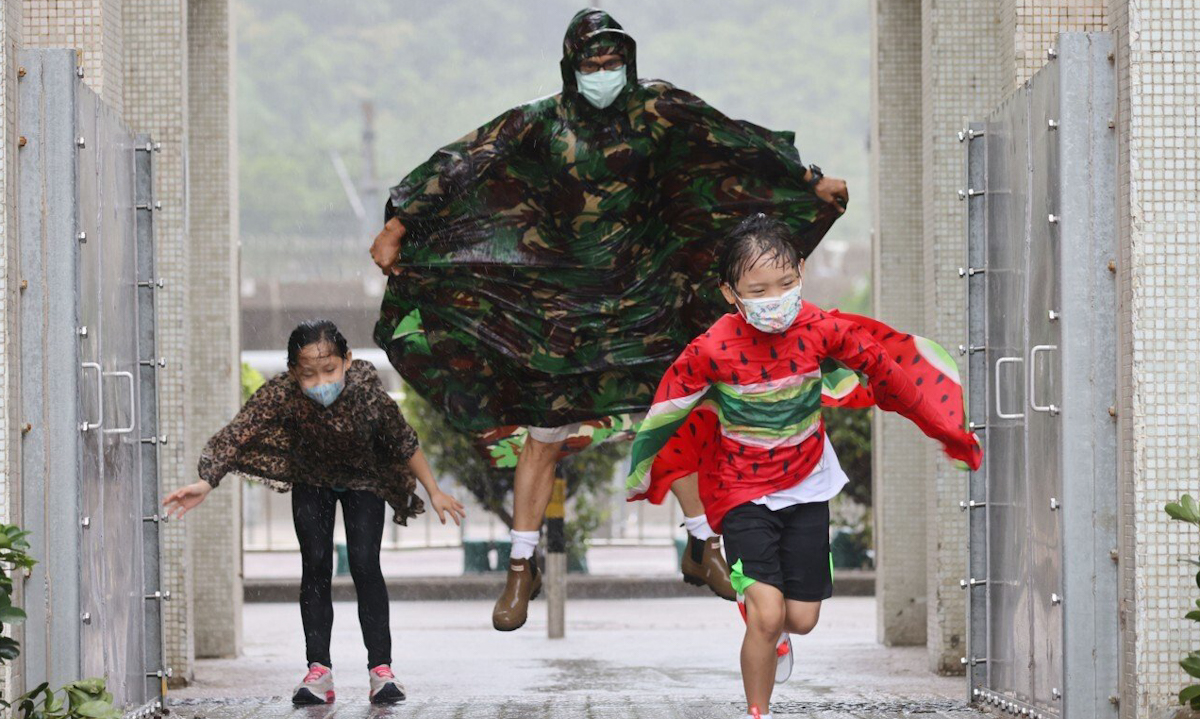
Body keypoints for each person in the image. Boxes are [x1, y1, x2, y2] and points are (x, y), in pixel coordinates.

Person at [368, 8, 850, 632]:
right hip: (562, 302)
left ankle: (704, 543)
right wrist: (399, 224)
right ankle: (521, 568)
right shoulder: (539, 121)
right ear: (571, 67)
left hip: (647, 296)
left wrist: (806, 178)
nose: (603, 73)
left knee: (670, 420)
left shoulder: (657, 108)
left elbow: (733, 141)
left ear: (629, 61)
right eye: (591, 64)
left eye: (612, 62)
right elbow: (464, 160)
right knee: (546, 433)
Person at [624, 215, 982, 719]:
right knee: (767, 617)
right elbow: (667, 410)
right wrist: (642, 474)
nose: (776, 297)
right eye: (758, 289)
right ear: (731, 293)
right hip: (742, 490)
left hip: (808, 483)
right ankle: (758, 710)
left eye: (786, 283)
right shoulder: (710, 349)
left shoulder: (823, 330)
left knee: (801, 618)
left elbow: (887, 374)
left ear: (802, 272)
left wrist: (943, 428)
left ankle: (775, 625)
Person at [162, 320, 465, 706]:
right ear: (293, 372)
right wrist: (207, 481)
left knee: (364, 563)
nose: (321, 381)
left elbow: (403, 440)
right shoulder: (283, 394)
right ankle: (318, 671)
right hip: (312, 479)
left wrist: (435, 490)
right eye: (308, 374)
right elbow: (240, 433)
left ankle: (381, 671)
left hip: (364, 478)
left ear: (347, 362)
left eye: (330, 370)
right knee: (316, 564)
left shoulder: (366, 391)